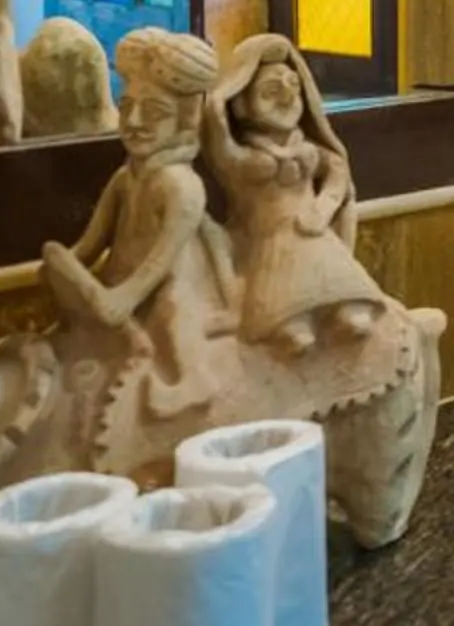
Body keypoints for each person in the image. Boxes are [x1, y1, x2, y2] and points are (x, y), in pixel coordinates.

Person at [41, 27, 228, 422]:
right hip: (119, 293)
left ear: (186, 118)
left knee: (174, 308)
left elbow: (156, 268)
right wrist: (64, 272)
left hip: (163, 291)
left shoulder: (181, 186)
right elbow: (88, 248)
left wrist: (121, 299)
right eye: (126, 107)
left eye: (155, 112)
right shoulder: (126, 179)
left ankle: (191, 380)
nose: (135, 121)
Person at [199, 33, 393, 354]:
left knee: (334, 275)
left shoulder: (307, 150)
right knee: (285, 293)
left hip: (315, 232)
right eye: (270, 91)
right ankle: (291, 323)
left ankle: (344, 309)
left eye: (294, 87)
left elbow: (338, 173)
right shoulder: (246, 159)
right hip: (270, 239)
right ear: (242, 105)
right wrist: (216, 106)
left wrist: (324, 206)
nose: (287, 98)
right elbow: (220, 148)